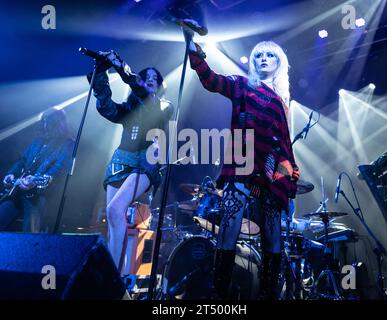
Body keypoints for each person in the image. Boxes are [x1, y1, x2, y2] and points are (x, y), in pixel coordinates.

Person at [187, 32, 300, 299]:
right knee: (228, 230)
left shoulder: (282, 104)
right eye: (258, 55)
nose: (263, 58)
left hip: (272, 174)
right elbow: (211, 80)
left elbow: (284, 145)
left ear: (279, 62)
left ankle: (268, 295)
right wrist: (193, 50)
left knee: (272, 240)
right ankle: (220, 296)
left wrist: (290, 184)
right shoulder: (241, 84)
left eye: (269, 54)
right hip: (241, 164)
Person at [88, 51, 173, 270]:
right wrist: (100, 72)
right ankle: (116, 271)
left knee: (116, 209)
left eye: (155, 79)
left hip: (146, 162)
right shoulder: (129, 109)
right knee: (113, 216)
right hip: (120, 160)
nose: (151, 81)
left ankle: (114, 277)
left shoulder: (164, 106)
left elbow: (147, 97)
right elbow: (107, 108)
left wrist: (121, 67)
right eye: (147, 78)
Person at [0, 108, 74, 232]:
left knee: (30, 236)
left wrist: (35, 180)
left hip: (38, 195)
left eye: (47, 122)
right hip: (16, 191)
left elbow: (60, 167)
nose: (44, 126)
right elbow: (22, 161)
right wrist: (11, 174)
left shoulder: (68, 144)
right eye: (43, 122)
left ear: (56, 123)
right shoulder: (37, 142)